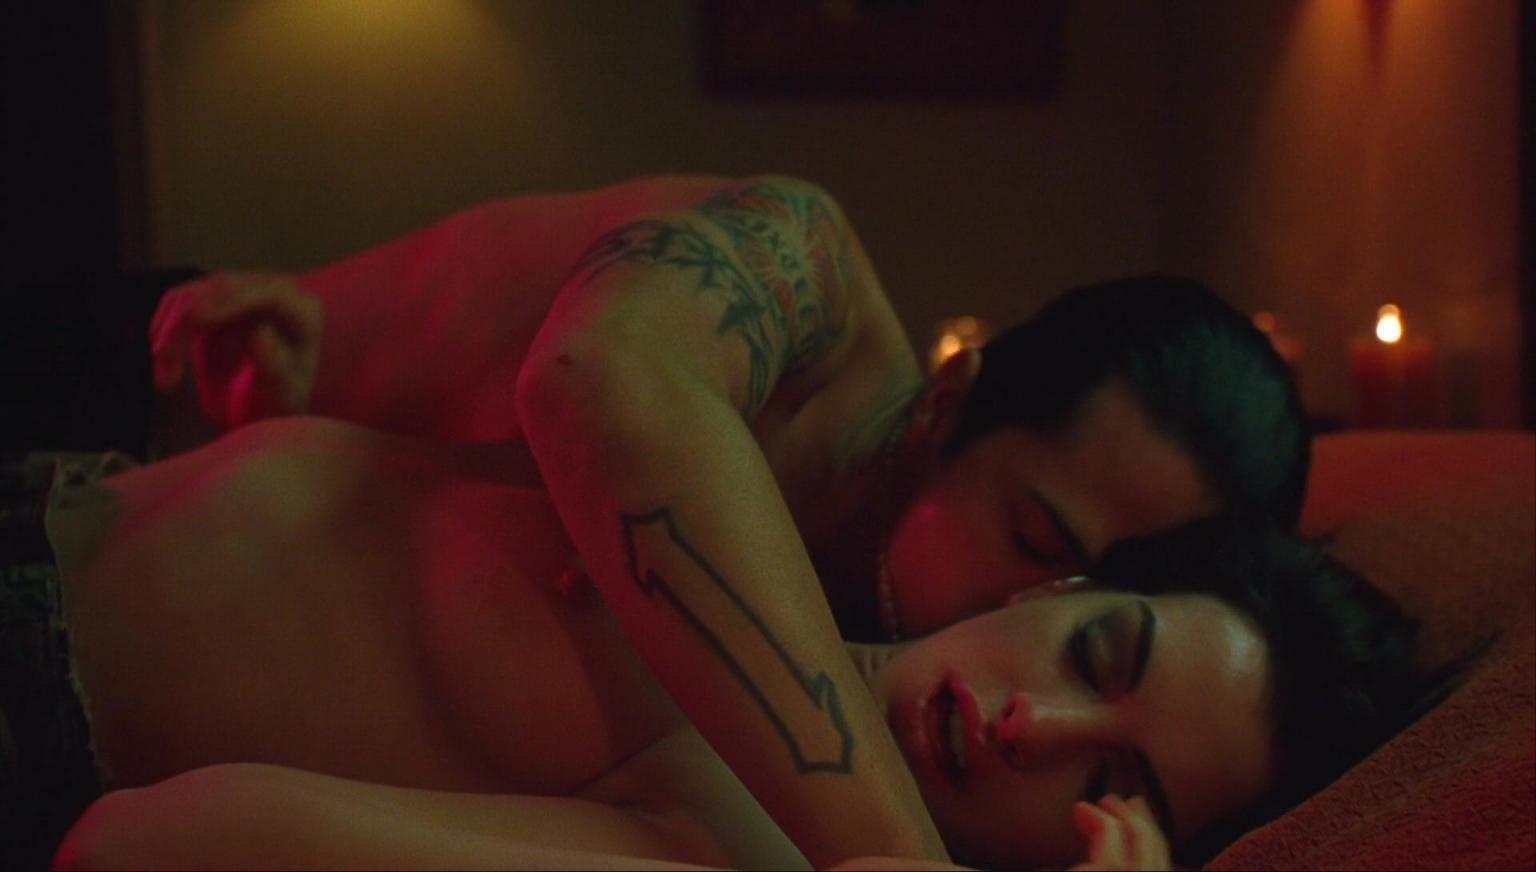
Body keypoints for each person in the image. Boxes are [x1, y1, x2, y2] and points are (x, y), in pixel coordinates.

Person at [27, 175, 1309, 864]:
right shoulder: (807, 301)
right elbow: (603, 379)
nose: (1030, 697)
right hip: (119, 418)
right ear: (949, 402)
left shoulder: (842, 770)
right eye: (1033, 542)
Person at [15, 417, 1429, 869]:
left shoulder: (751, 835)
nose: (1032, 728)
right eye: (1097, 657)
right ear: (1050, 587)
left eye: (1110, 786)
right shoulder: (814, 503)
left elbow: (147, 848)